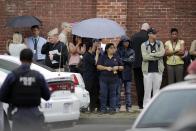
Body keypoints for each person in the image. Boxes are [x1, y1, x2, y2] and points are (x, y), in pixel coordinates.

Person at [0, 48, 51, 131]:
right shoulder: (38, 76)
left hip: (19, 116)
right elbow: (47, 96)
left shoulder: (13, 75)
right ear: (32, 60)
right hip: (35, 115)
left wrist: (13, 100)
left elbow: (2, 96)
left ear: (20, 59)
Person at [141, 28, 165, 107]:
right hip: (147, 71)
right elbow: (145, 57)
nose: (155, 35)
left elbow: (162, 53)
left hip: (158, 70)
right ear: (149, 34)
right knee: (147, 90)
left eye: (155, 33)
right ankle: (146, 106)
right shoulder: (144, 45)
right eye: (154, 33)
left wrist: (151, 55)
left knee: (157, 90)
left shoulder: (159, 43)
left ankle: (156, 106)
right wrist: (156, 56)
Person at [97, 43, 123, 114]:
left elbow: (122, 67)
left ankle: (112, 109)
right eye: (111, 48)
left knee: (113, 94)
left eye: (114, 48)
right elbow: (98, 66)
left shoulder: (116, 57)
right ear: (107, 49)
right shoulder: (103, 57)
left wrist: (117, 67)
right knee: (103, 94)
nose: (113, 49)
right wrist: (106, 68)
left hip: (114, 79)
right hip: (104, 79)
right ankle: (103, 109)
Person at [130, 23, 150, 109]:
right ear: (147, 29)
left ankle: (140, 104)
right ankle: (147, 103)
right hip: (146, 63)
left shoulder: (133, 37)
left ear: (140, 28)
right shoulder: (148, 37)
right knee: (147, 84)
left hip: (135, 64)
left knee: (138, 84)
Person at [117, 35, 135, 112]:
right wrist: (126, 60)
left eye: (128, 41)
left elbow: (132, 60)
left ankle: (129, 106)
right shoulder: (118, 51)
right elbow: (118, 60)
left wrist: (123, 60)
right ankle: (117, 106)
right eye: (125, 41)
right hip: (120, 73)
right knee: (118, 91)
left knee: (128, 92)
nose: (127, 43)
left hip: (128, 73)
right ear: (122, 42)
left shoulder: (132, 51)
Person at [83, 41, 100, 112]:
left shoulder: (91, 54)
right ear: (90, 47)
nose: (95, 48)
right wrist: (97, 54)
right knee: (89, 92)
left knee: (94, 92)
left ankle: (93, 108)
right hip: (88, 77)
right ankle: (87, 107)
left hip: (94, 77)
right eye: (94, 46)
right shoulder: (87, 55)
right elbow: (95, 62)